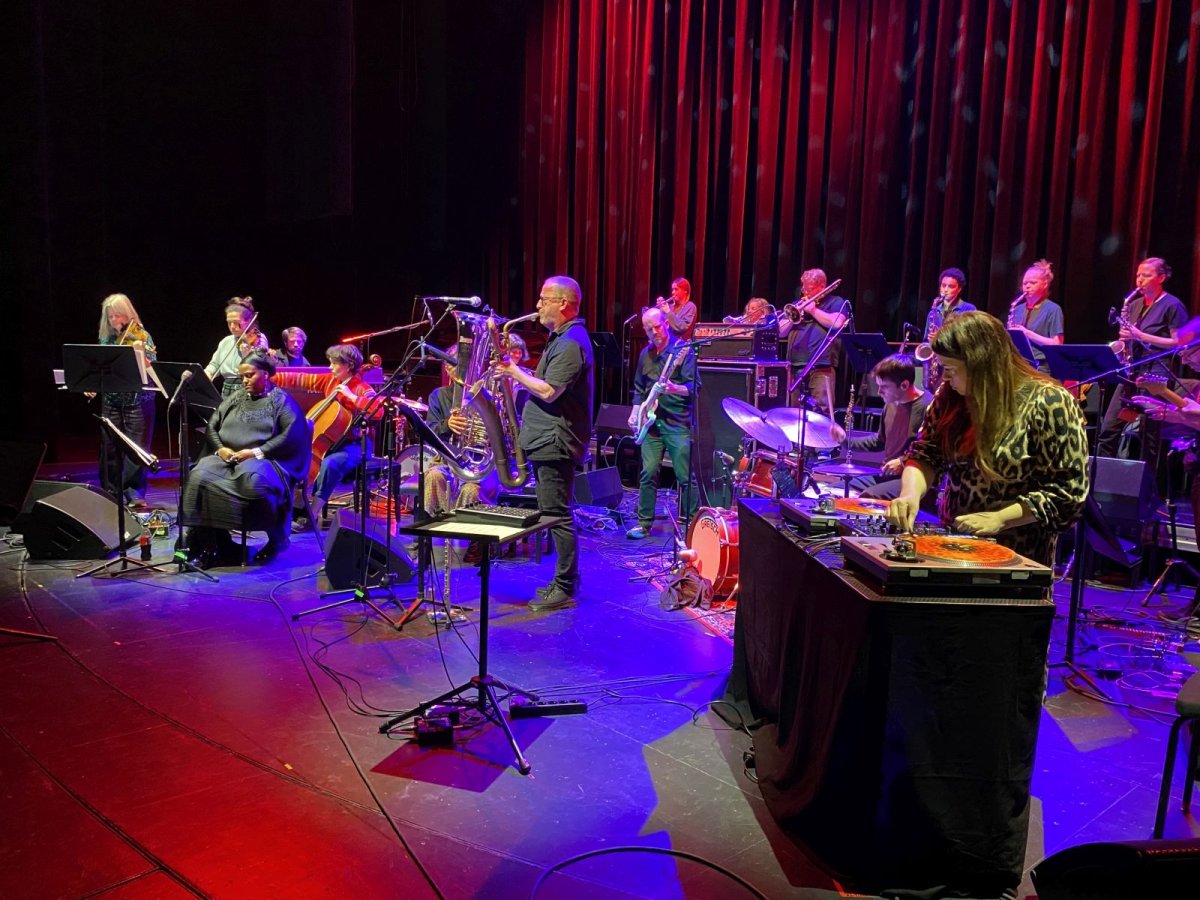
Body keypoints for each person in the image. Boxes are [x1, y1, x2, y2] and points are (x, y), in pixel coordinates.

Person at [886, 312, 1089, 566]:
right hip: (954, 547)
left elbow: (1069, 493)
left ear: (980, 364)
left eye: (950, 369)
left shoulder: (1050, 401)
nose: (945, 378)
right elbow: (926, 454)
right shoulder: (951, 396)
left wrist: (1000, 518)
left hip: (1016, 557)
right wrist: (910, 495)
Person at [494, 276, 594, 612]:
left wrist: (513, 372)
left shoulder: (571, 342)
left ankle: (565, 587)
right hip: (546, 438)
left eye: (543, 299)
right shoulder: (562, 339)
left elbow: (551, 392)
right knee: (554, 513)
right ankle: (566, 581)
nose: (537, 305)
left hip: (555, 440)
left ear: (563, 303)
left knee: (556, 515)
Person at [180, 351, 310, 567]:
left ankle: (277, 540)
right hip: (228, 458)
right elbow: (212, 425)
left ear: (266, 374)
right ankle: (211, 546)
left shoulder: (281, 401)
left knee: (254, 483)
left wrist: (256, 452)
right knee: (198, 477)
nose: (245, 381)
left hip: (266, 459)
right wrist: (220, 449)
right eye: (242, 377)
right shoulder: (236, 397)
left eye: (250, 375)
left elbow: (292, 435)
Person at [271, 344, 381, 526]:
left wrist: (351, 397)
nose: (330, 367)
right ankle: (296, 505)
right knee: (291, 456)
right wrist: (269, 376)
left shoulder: (363, 388)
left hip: (356, 445)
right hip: (331, 444)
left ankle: (312, 515)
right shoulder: (330, 380)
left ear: (349, 365)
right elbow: (300, 379)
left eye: (334, 363)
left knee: (331, 463)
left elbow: (378, 411)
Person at [425, 334, 528, 516]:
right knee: (434, 477)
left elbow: (504, 433)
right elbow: (430, 431)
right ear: (447, 368)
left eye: (466, 365)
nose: (462, 370)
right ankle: (437, 527)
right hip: (448, 460)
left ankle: (467, 533)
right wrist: (447, 424)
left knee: (471, 491)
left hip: (483, 464)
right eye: (456, 365)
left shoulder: (487, 393)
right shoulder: (438, 395)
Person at [1096, 257, 1188, 458]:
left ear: (1161, 278)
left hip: (1157, 373)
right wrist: (1124, 340)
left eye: (1146, 275)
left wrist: (1140, 335)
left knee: (1149, 436)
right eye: (1138, 275)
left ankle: (1148, 478)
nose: (1140, 280)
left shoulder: (1172, 305)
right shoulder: (1134, 304)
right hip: (1132, 371)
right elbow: (1129, 337)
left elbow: (1179, 343)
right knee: (1108, 430)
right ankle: (1103, 475)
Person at [626, 307, 698, 540]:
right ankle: (644, 524)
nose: (654, 332)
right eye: (649, 329)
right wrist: (636, 412)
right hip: (651, 424)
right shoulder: (645, 355)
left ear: (666, 323)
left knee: (684, 476)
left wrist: (673, 388)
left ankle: (693, 526)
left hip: (677, 422)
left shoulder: (683, 351)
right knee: (648, 473)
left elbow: (694, 388)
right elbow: (639, 388)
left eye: (657, 327)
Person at [829, 354, 932, 499]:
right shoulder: (890, 405)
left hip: (914, 479)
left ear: (904, 385)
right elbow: (879, 441)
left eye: (884, 387)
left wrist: (903, 462)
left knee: (868, 497)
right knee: (834, 491)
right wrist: (845, 440)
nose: (879, 392)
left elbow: (932, 451)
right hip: (886, 475)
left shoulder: (928, 406)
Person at [96, 293, 158, 509]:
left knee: (136, 448)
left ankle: (134, 493)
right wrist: (93, 384)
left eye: (118, 315)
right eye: (111, 316)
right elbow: (101, 368)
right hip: (112, 399)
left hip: (138, 400)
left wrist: (142, 354)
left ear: (128, 314)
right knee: (109, 448)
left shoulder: (142, 335)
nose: (115, 320)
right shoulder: (106, 339)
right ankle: (110, 491)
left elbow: (152, 368)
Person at [778, 268, 851, 415]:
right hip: (794, 368)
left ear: (822, 286)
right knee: (794, 414)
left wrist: (813, 310)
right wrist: (795, 315)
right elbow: (780, 332)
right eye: (803, 288)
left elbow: (837, 323)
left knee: (821, 412)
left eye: (809, 288)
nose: (805, 292)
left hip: (821, 366)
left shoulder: (835, 302)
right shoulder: (797, 304)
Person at [204, 297, 269, 398]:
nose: (232, 326)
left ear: (249, 321)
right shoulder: (225, 341)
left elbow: (260, 365)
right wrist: (207, 374)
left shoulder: (258, 338)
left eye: (236, 322)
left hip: (247, 387)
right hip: (227, 389)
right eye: (229, 322)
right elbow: (215, 364)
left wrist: (246, 354)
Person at [922, 268, 975, 391]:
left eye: (951, 286)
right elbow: (925, 341)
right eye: (943, 285)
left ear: (959, 289)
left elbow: (970, 340)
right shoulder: (933, 311)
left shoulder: (968, 309)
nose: (945, 290)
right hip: (936, 362)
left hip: (955, 362)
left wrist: (941, 336)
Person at [1007, 259, 1064, 368]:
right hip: (1019, 364)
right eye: (1025, 283)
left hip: (1041, 366)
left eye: (1033, 282)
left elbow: (1057, 344)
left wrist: (1026, 333)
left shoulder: (1053, 309)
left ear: (1045, 284)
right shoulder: (1017, 309)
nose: (1027, 286)